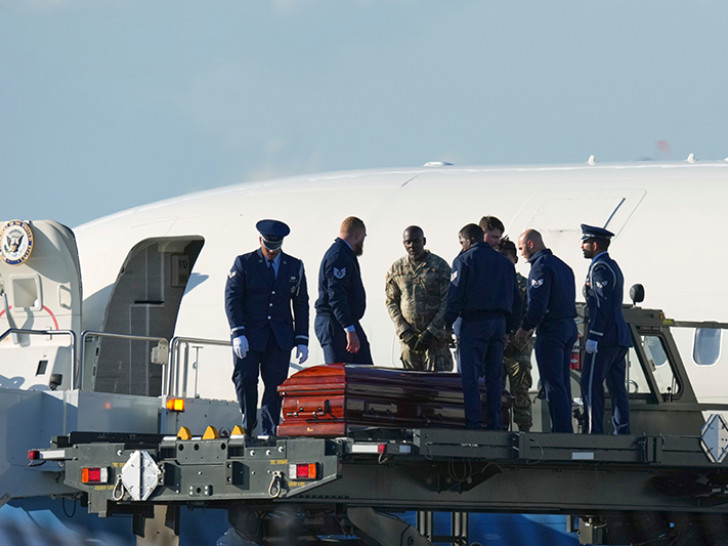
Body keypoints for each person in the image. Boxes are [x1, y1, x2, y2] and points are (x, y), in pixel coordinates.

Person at [224, 219, 309, 437]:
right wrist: (237, 332)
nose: (271, 251)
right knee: (245, 379)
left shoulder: (294, 266)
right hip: (250, 335)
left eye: (275, 247)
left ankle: (269, 431)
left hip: (279, 337)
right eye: (268, 246)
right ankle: (249, 420)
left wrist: (302, 338)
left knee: (275, 385)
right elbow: (232, 298)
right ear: (260, 240)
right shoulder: (245, 263)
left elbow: (300, 303)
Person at [444, 223, 516, 430]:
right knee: (494, 377)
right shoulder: (505, 263)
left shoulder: (464, 260)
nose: (462, 246)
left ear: (469, 240)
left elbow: (455, 296)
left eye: (462, 242)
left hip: (474, 324)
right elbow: (516, 300)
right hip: (499, 324)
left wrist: (447, 324)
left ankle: (474, 424)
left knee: (470, 377)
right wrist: (509, 329)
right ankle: (495, 423)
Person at [514, 229, 578, 433]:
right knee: (563, 383)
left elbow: (537, 305)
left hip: (552, 330)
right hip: (568, 326)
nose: (521, 253)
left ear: (531, 244)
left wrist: (525, 328)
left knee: (552, 383)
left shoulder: (540, 267)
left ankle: (560, 432)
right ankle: (565, 428)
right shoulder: (563, 267)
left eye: (522, 248)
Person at [579, 224, 632, 434]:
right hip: (618, 337)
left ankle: (594, 432)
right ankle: (622, 430)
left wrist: (594, 336)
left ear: (594, 245)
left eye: (585, 243)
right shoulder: (612, 265)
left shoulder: (599, 269)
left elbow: (602, 305)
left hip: (605, 338)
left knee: (590, 384)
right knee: (617, 387)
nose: (582, 247)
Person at [385, 226, 453, 372]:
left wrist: (431, 331)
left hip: (435, 342)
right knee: (411, 383)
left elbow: (448, 301)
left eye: (416, 241)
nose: (412, 245)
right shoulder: (396, 269)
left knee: (438, 382)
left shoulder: (440, 266)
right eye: (408, 242)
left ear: (424, 241)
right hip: (409, 341)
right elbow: (391, 302)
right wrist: (404, 331)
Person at [315, 216, 373, 364]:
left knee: (365, 369)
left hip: (346, 321)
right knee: (340, 372)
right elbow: (336, 296)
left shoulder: (345, 254)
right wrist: (349, 329)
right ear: (358, 235)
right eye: (363, 237)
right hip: (335, 323)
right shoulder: (338, 257)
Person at [497, 237, 533, 432]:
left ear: (515, 259)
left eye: (506, 257)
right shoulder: (492, 283)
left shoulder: (525, 284)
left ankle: (524, 433)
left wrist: (515, 339)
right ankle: (499, 430)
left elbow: (531, 315)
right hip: (497, 347)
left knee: (520, 393)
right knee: (496, 393)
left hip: (519, 349)